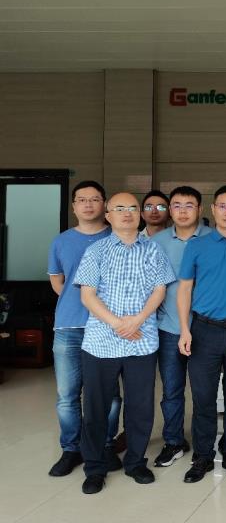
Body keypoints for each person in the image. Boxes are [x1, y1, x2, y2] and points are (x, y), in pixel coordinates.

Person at [74, 192, 175, 494]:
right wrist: (118, 323)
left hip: (141, 342)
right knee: (96, 407)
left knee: (140, 407)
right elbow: (87, 295)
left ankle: (135, 463)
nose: (127, 213)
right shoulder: (96, 250)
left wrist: (137, 320)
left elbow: (159, 290)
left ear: (140, 214)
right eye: (120, 208)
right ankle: (94, 468)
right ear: (108, 215)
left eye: (133, 207)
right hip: (101, 342)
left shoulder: (153, 249)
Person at [178, 185, 226, 483]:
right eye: (223, 206)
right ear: (212, 209)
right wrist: (185, 329)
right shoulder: (196, 246)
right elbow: (184, 288)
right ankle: (203, 456)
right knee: (203, 397)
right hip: (203, 330)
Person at [47, 180, 120, 477]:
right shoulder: (61, 241)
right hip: (69, 326)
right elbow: (58, 282)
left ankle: (105, 445)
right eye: (82, 199)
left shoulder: (117, 236)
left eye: (94, 199)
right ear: (74, 206)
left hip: (106, 327)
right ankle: (71, 448)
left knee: (109, 394)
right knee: (67, 394)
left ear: (104, 204)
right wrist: (80, 301)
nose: (88, 204)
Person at [150, 186, 211, 468]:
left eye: (189, 205)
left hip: (206, 329)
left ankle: (204, 445)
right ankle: (173, 441)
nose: (183, 211)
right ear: (170, 210)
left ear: (200, 209)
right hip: (169, 327)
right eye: (176, 205)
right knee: (172, 390)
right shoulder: (157, 242)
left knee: (203, 392)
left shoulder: (213, 238)